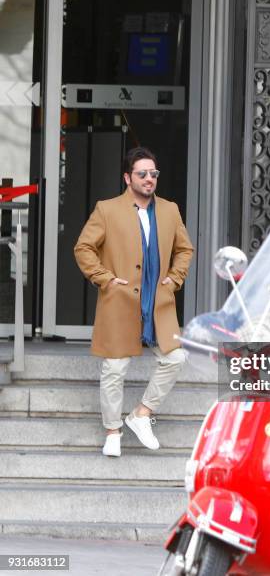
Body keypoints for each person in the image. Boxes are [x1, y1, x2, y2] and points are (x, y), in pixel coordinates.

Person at [74, 147, 194, 457]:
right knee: (115, 368)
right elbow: (84, 248)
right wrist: (105, 278)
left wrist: (175, 278)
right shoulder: (107, 209)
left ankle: (141, 414)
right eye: (142, 174)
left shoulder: (170, 210)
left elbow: (185, 250)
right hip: (121, 301)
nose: (149, 179)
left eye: (153, 174)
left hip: (158, 303)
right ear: (128, 178)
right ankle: (113, 430)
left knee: (175, 358)